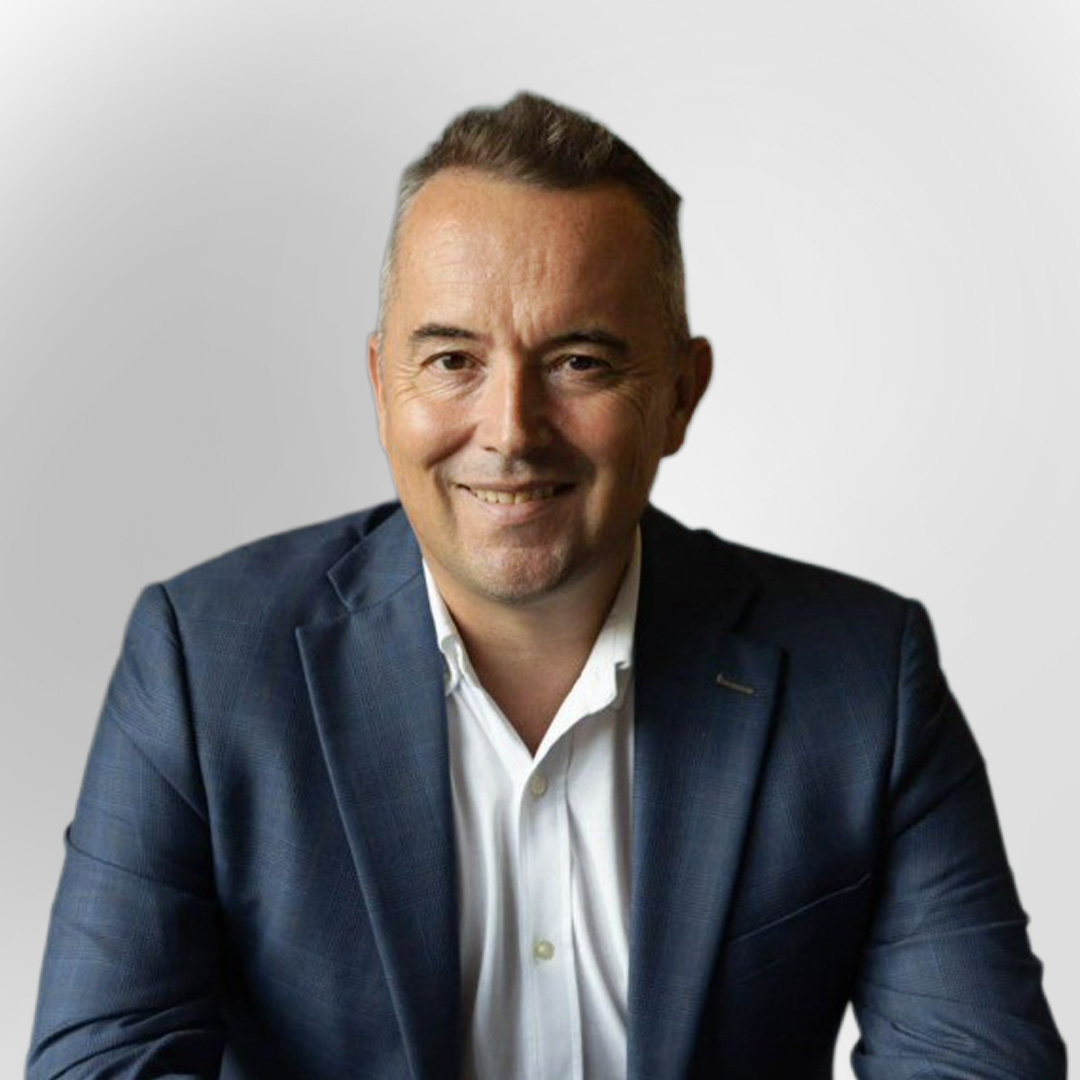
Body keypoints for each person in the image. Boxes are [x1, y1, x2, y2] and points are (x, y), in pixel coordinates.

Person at [28, 92, 1065, 1080]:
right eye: (451, 360)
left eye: (578, 361)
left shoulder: (862, 679)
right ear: (382, 384)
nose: (512, 430)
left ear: (680, 395)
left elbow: (977, 1062)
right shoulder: (202, 665)